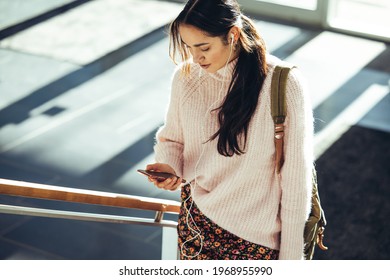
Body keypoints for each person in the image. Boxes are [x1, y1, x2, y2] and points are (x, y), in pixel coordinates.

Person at [143, 0, 314, 260]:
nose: (195, 58)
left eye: (204, 47)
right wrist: (170, 167)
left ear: (232, 35)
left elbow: (295, 179)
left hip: (255, 239)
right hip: (196, 223)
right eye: (188, 48)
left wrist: (291, 260)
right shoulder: (186, 78)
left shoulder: (283, 84)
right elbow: (173, 139)